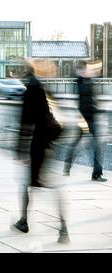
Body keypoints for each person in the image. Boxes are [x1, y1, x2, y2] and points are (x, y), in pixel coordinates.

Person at [13, 60, 69, 244]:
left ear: (24, 73)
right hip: (49, 143)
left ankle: (26, 222)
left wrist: (20, 150)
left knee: (30, 184)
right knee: (43, 184)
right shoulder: (43, 87)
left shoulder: (31, 90)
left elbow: (25, 123)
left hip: (38, 144)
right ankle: (61, 227)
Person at [63, 61, 107, 182]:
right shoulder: (79, 82)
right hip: (84, 119)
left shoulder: (88, 81)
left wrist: (98, 109)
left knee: (97, 146)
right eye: (82, 71)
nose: (85, 72)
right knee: (77, 144)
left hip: (90, 118)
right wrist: (85, 76)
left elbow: (92, 99)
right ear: (79, 72)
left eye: (85, 70)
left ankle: (96, 174)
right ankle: (68, 164)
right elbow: (85, 95)